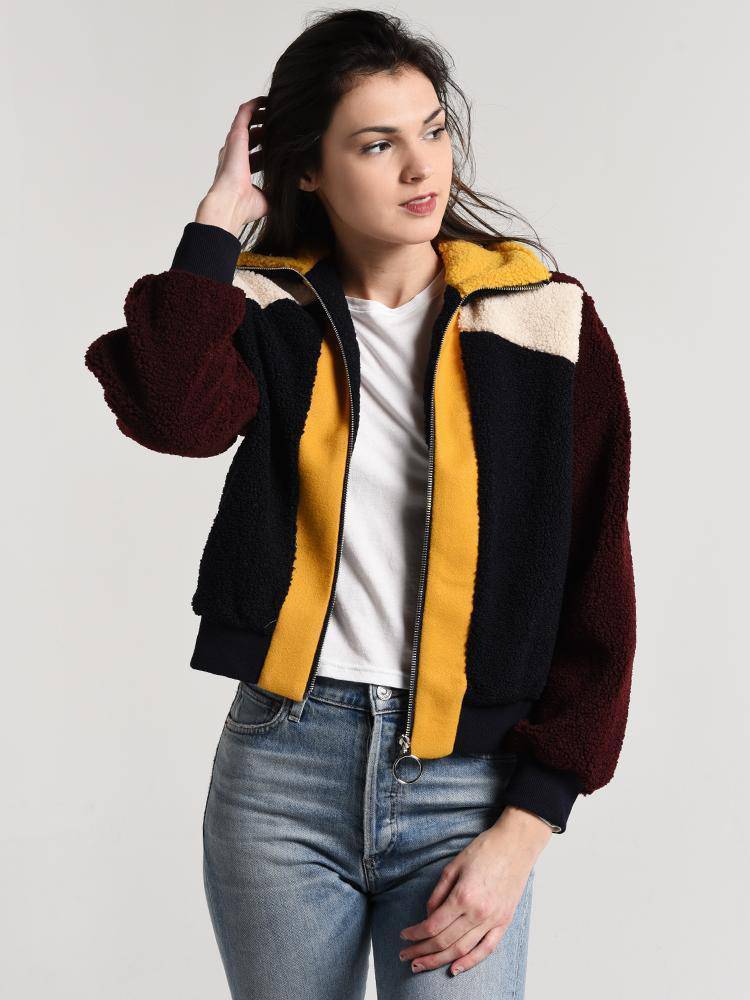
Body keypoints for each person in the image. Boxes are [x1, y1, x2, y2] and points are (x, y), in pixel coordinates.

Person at [84, 9, 636, 999]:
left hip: (465, 786)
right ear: (308, 169)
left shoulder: (544, 319)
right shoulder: (268, 311)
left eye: (433, 129)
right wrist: (218, 220)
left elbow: (596, 583)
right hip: (281, 776)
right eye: (378, 145)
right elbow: (171, 411)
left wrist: (527, 823)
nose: (422, 167)